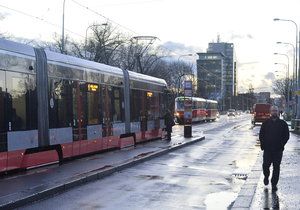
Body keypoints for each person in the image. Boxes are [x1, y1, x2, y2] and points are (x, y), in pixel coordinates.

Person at [259, 105, 289, 191]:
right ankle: (266, 176)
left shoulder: (283, 124)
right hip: (267, 149)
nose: (274, 112)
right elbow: (261, 135)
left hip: (278, 150)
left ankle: (274, 183)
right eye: (273, 111)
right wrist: (263, 145)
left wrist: (282, 144)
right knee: (265, 165)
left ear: (278, 112)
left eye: (276, 110)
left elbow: (286, 136)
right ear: (270, 112)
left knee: (276, 167)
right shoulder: (265, 123)